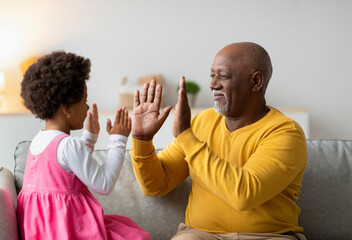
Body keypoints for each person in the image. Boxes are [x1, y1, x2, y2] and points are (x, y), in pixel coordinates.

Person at [131, 42, 307, 240]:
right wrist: (142, 139)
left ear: (256, 82)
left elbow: (244, 195)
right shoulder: (201, 122)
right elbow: (157, 185)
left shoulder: (285, 132)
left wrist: (186, 136)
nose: (213, 84)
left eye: (223, 76)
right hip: (199, 235)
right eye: (212, 75)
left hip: (269, 236)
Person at [17, 51, 151, 240]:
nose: (88, 107)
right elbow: (104, 185)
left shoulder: (38, 142)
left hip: (47, 232)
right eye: (84, 100)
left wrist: (89, 138)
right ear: (66, 108)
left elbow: (69, 170)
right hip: (73, 230)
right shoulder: (68, 145)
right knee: (136, 236)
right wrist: (118, 140)